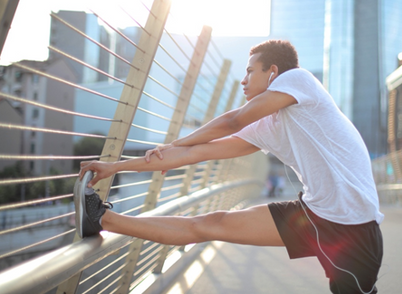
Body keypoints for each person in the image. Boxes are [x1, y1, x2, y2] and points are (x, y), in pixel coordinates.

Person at [76, 40, 384, 294]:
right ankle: (102, 219)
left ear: (273, 73)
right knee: (210, 224)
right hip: (314, 213)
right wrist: (114, 167)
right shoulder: (268, 125)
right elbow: (195, 155)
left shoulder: (298, 79)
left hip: (351, 225)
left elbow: (232, 121)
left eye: (251, 71)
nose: (243, 80)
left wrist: (174, 144)